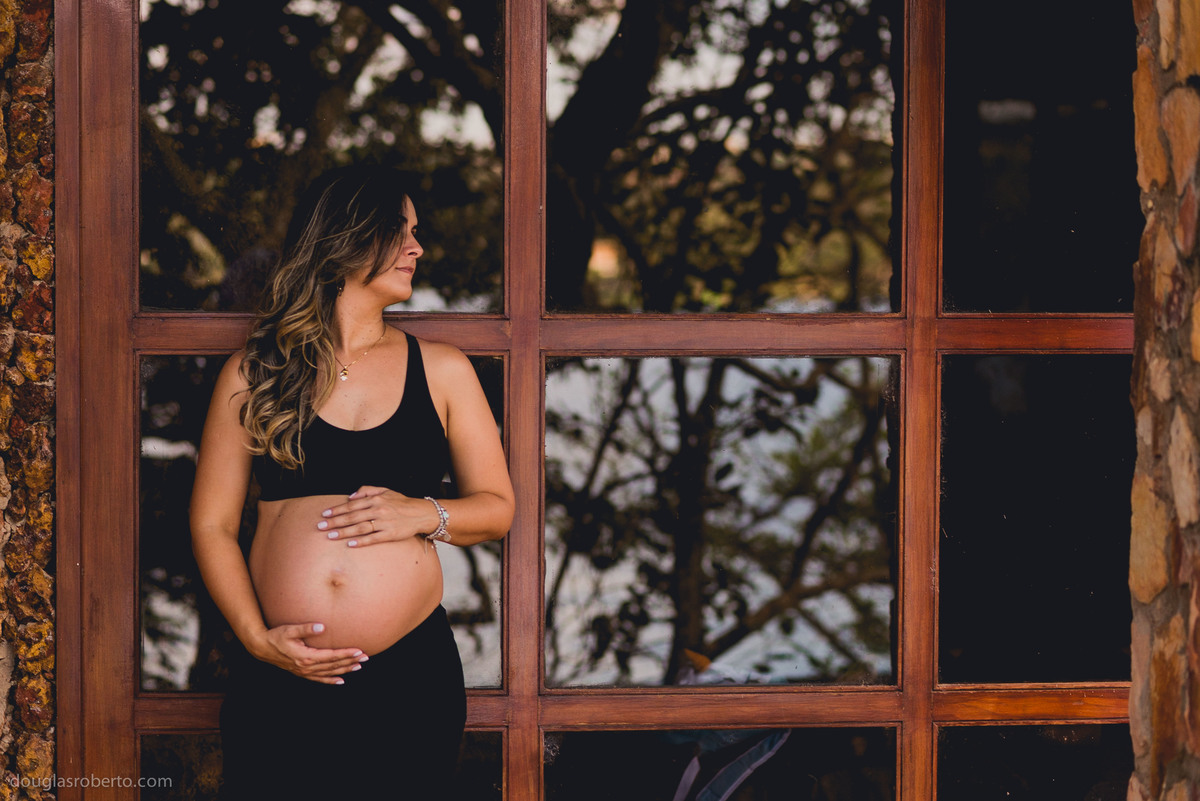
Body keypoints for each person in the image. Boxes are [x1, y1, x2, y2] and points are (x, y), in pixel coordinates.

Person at [189, 166, 514, 800]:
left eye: (416, 233)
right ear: (345, 237)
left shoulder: (443, 370)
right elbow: (213, 524)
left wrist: (423, 513)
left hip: (408, 679)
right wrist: (256, 639)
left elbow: (497, 509)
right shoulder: (254, 370)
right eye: (401, 231)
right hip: (283, 673)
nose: (418, 248)